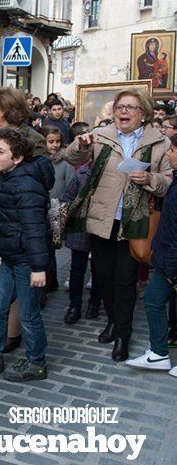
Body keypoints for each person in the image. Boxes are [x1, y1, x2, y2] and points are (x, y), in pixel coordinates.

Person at [62, 89, 172, 362]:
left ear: (143, 113)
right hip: (102, 218)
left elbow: (169, 181)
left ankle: (123, 333)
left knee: (125, 280)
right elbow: (71, 158)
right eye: (120, 106)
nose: (123, 111)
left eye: (131, 107)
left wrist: (149, 179)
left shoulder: (158, 143)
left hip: (135, 222)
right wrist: (81, 145)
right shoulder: (100, 136)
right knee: (102, 276)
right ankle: (112, 319)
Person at [0, 128, 54, 382]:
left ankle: (37, 362)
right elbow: (12, 225)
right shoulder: (11, 177)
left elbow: (35, 229)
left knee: (28, 314)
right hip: (13, 259)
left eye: (0, 152)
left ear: (17, 159)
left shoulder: (26, 185)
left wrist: (39, 268)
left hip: (27, 263)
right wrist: (6, 252)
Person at [0, 87, 48, 353]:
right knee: (0, 279)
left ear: (9, 111)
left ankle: (13, 335)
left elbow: (42, 178)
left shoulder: (32, 139)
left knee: (18, 281)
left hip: (18, 220)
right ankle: (5, 329)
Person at [126, 133, 177, 376]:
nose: (168, 154)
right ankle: (158, 354)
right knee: (153, 299)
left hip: (171, 262)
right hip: (166, 259)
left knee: (154, 299)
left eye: (173, 150)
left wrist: (172, 268)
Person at [61, 162, 102, 324]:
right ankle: (75, 305)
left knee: (99, 268)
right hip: (80, 227)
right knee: (77, 269)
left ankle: (94, 302)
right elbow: (67, 198)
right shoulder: (82, 173)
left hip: (100, 228)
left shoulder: (111, 174)